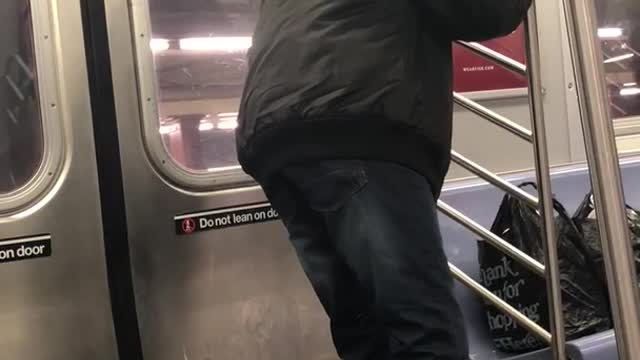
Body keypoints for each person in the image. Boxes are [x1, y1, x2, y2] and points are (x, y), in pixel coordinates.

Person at [236, 1, 532, 359]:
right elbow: (479, 10)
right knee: (424, 330)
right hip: (354, 115)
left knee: (363, 329)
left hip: (274, 130)